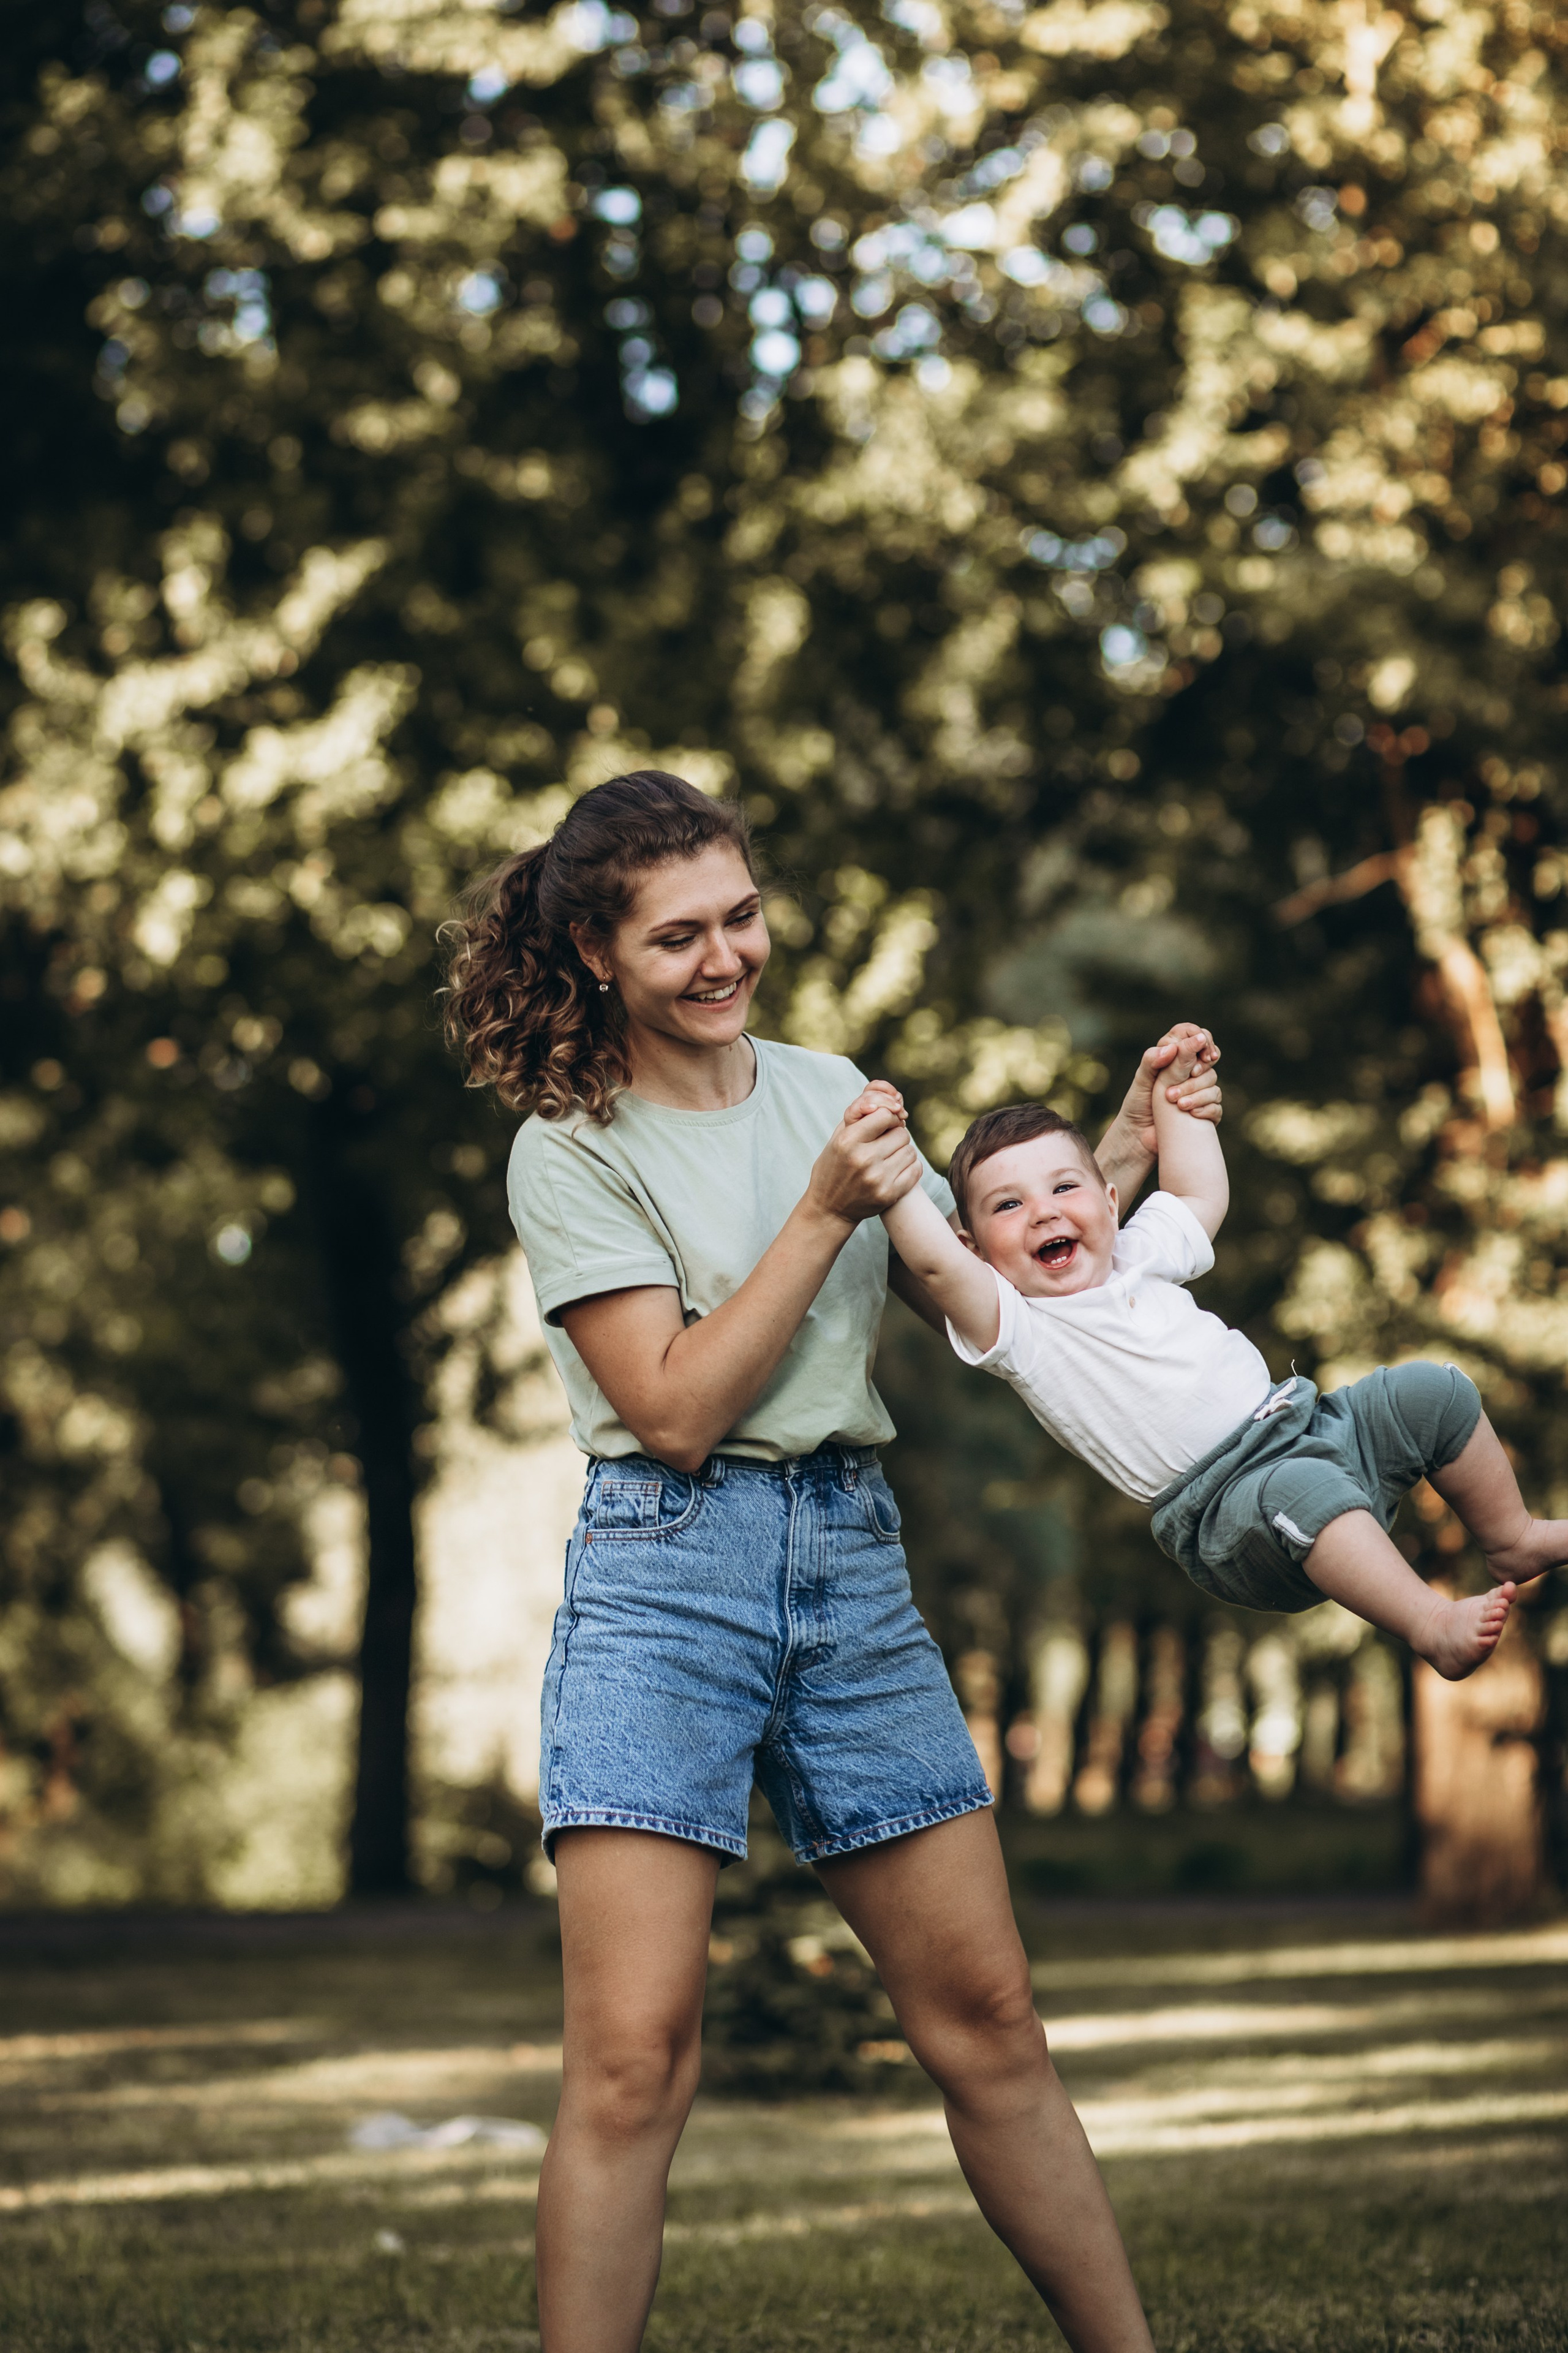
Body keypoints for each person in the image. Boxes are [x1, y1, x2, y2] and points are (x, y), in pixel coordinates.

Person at [442, 768, 1222, 2353]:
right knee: (630, 2058)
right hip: (668, 1580)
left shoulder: (830, 1088)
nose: (725, 956)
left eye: (742, 916)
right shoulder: (571, 1148)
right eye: (679, 936)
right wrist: (815, 1214)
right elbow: (668, 1409)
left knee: (990, 2021)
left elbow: (973, 1283)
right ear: (598, 952)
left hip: (850, 1566)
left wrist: (1123, 1152)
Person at [873, 1048, 1567, 1679]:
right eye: (1008, 1204)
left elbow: (1200, 1194)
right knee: (1303, 1490)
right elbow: (931, 1262)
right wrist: (890, 1167)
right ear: (978, 1252)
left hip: (1309, 1423)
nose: (1042, 1213)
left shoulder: (1138, 1251)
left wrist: (1179, 1097)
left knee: (1430, 1393)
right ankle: (1429, 1622)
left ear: (1109, 1202)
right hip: (1229, 1510)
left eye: (1063, 1188)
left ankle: (1511, 1536)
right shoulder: (1021, 1328)